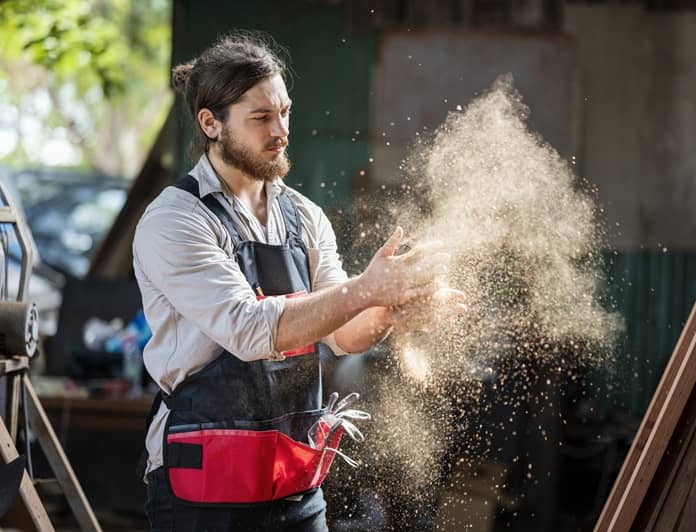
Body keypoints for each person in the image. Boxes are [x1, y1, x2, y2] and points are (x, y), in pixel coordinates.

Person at [132, 33, 464, 531]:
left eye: (284, 112)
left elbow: (344, 333)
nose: (281, 130)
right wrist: (368, 289)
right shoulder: (176, 220)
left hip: (294, 481)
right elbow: (249, 330)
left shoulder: (303, 217)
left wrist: (393, 307)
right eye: (261, 118)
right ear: (211, 123)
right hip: (203, 486)